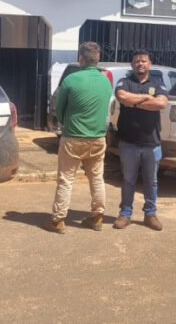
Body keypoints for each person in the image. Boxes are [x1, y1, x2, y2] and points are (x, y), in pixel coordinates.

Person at [44, 42, 113, 233]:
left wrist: (66, 122)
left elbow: (59, 109)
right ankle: (98, 217)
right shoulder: (105, 81)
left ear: (81, 59)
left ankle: (58, 221)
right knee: (97, 178)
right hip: (98, 138)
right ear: (97, 59)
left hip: (73, 137)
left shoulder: (71, 80)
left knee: (66, 180)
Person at [113, 49, 168, 231]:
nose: (140, 64)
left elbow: (161, 103)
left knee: (151, 181)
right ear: (132, 64)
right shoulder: (125, 82)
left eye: (143, 61)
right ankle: (125, 214)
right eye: (136, 61)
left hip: (152, 143)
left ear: (149, 64)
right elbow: (122, 96)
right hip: (129, 142)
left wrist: (133, 102)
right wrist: (146, 98)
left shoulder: (158, 83)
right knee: (128, 180)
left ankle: (150, 214)